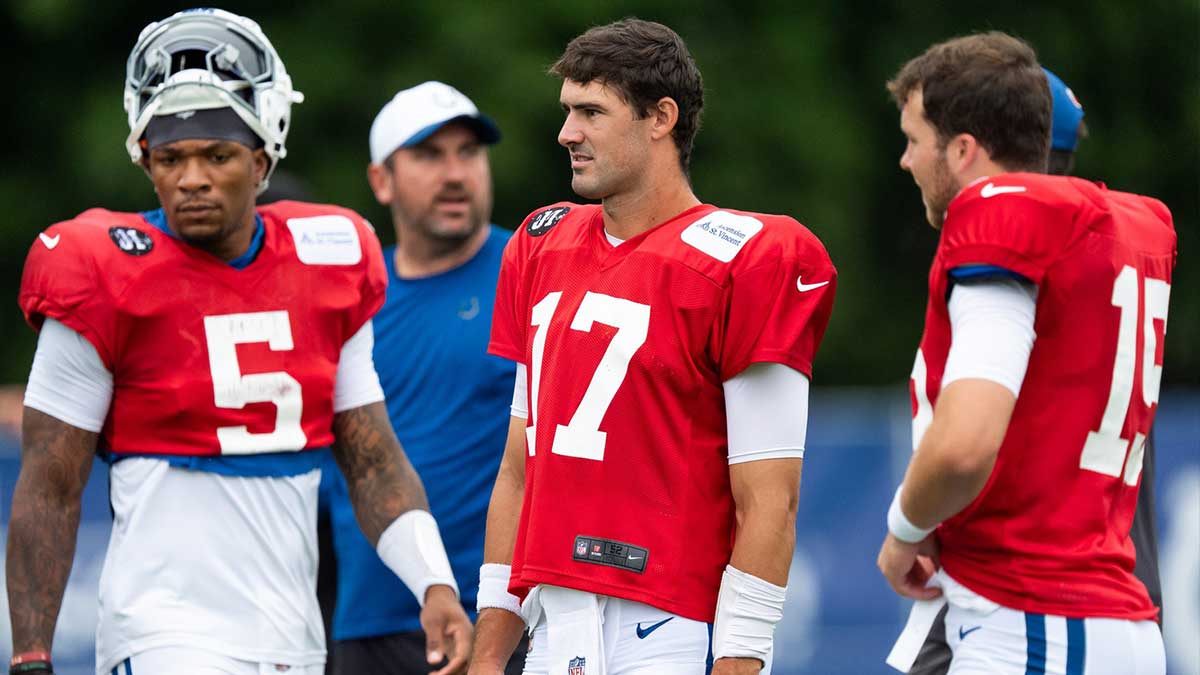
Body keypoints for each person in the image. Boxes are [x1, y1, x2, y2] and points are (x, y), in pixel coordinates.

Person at [6, 9, 470, 675]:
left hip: (292, 637)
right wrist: (30, 656)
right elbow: (49, 483)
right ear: (145, 160)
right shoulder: (97, 267)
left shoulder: (329, 256)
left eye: (216, 155)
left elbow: (372, 460)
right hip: (161, 630)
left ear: (260, 160)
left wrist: (434, 583)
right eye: (170, 158)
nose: (191, 178)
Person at [468, 18, 837, 675]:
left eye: (591, 112)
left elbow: (769, 498)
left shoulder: (746, 257)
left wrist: (740, 659)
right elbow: (519, 468)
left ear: (660, 117)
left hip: (667, 626)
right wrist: (490, 653)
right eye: (567, 111)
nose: (567, 133)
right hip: (554, 622)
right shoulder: (540, 243)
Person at [877, 32, 1175, 674]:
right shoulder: (1129, 224)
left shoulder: (999, 214)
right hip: (1102, 616)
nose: (904, 161)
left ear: (962, 150)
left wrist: (904, 529)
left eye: (913, 140)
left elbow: (964, 444)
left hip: (1034, 619)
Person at [318, 81, 525, 674]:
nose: (455, 173)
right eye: (429, 155)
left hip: (506, 622)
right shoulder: (349, 296)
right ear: (381, 180)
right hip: (369, 624)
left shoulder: (533, 276)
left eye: (469, 152)